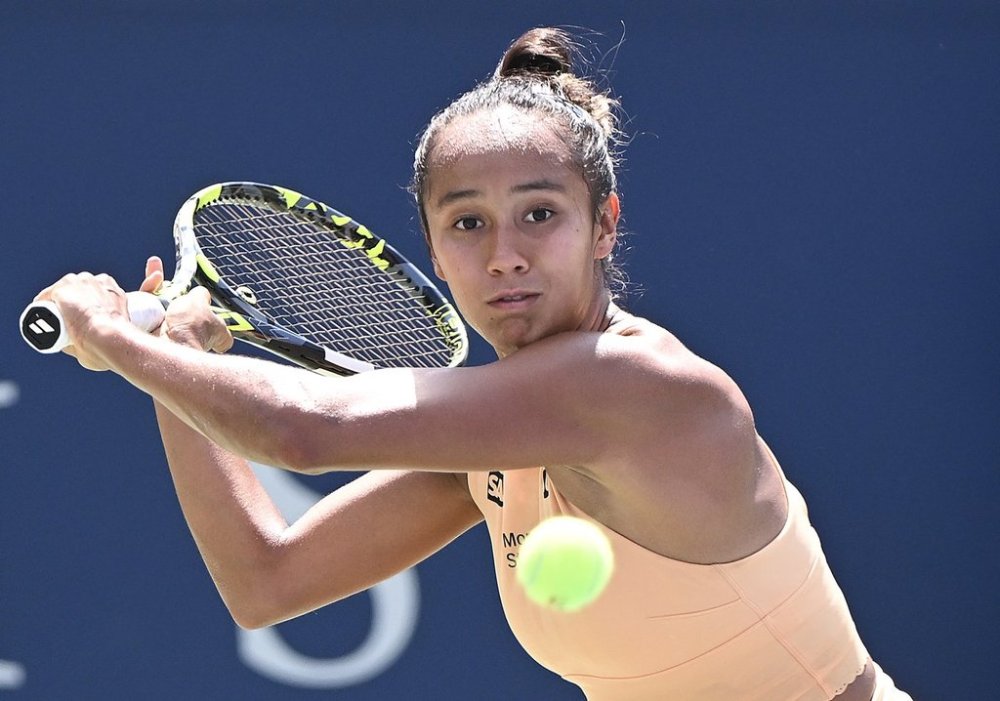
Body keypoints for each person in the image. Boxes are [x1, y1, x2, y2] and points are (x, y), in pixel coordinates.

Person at [35, 27, 911, 701]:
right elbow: (270, 578)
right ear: (433, 245)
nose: (503, 255)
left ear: (604, 222)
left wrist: (124, 340)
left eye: (540, 214)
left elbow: (299, 429)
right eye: (466, 223)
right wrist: (172, 368)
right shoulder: (494, 432)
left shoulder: (640, 386)